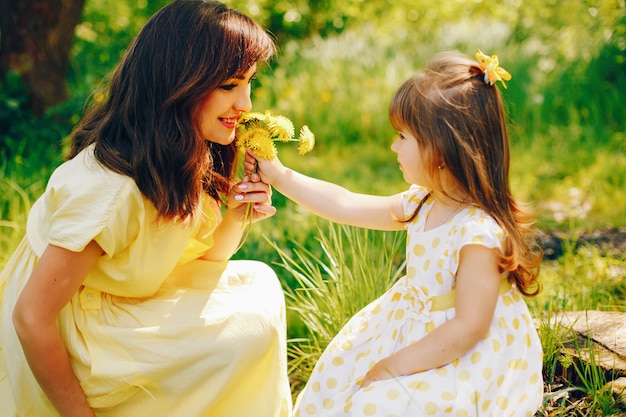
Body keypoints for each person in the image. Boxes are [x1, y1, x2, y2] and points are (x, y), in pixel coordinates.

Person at [0, 1, 292, 416]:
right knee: (246, 331)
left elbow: (202, 260)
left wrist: (236, 215)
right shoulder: (109, 191)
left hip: (117, 296)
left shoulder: (183, 151)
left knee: (258, 285)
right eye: (229, 86)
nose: (245, 104)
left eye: (248, 84)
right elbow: (30, 318)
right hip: (77, 331)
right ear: (179, 85)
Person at [245, 50, 544, 416]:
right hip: (418, 331)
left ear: (442, 149)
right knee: (342, 375)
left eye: (403, 136)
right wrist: (279, 175)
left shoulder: (477, 234)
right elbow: (345, 203)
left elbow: (468, 329)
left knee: (377, 402)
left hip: (468, 358)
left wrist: (393, 366)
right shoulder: (423, 202)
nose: (393, 146)